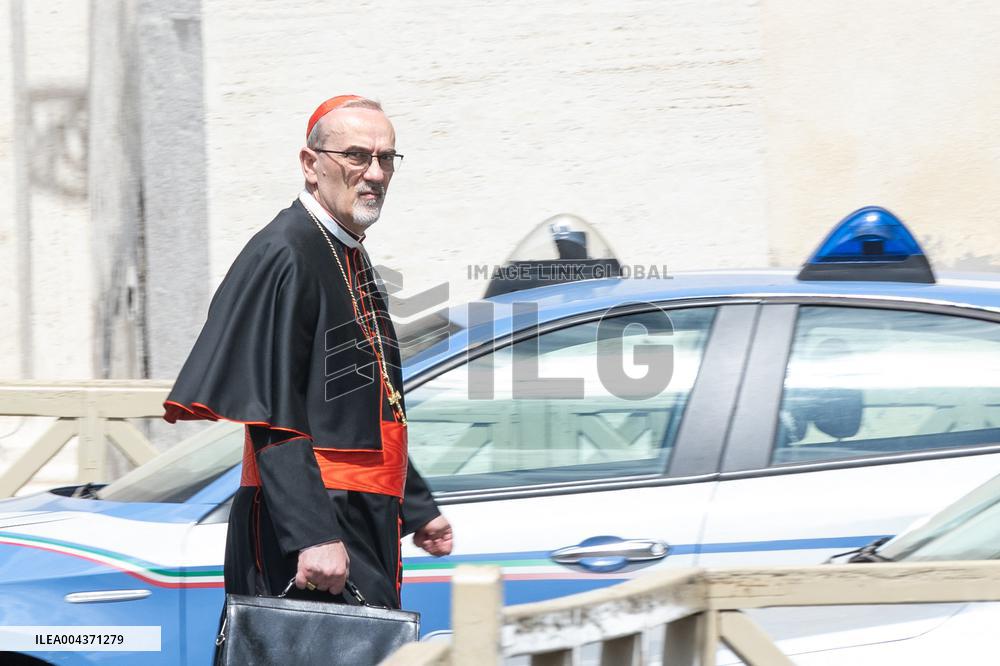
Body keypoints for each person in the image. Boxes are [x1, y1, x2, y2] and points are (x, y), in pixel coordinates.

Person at [163, 95, 452, 609]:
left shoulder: (343, 251)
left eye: (386, 158)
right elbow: (271, 411)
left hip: (358, 514)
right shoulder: (285, 252)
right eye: (358, 155)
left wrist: (415, 504)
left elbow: (366, 403)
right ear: (310, 164)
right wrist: (313, 533)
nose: (376, 173)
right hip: (307, 527)